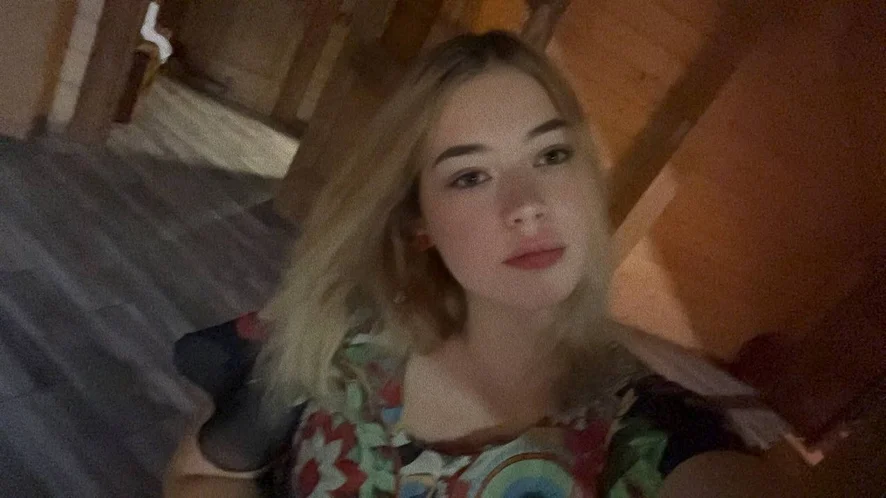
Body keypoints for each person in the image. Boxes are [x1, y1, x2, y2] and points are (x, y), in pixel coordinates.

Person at [164, 31, 793, 498]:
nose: (527, 205)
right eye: (470, 176)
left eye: (551, 155)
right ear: (417, 222)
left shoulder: (646, 432)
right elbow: (203, 475)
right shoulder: (343, 335)